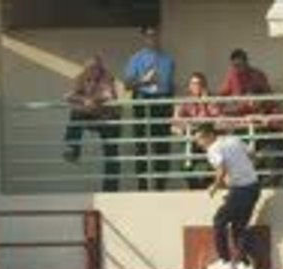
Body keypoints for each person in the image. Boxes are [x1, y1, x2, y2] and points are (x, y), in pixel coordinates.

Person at [193, 123, 261, 269]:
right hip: (253, 187)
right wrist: (244, 173)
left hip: (240, 190)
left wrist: (214, 186)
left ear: (209, 136)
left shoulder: (213, 149)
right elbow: (253, 156)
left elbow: (221, 169)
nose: (199, 144)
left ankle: (225, 261)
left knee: (219, 221)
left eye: (200, 139)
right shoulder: (233, 139)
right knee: (239, 226)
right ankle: (244, 264)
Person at [218, 49, 283, 187]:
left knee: (281, 155)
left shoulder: (258, 76)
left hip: (265, 132)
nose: (238, 69)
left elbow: (272, 104)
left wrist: (262, 116)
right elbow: (221, 100)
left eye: (240, 65)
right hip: (244, 129)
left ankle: (267, 184)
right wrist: (234, 116)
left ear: (246, 63)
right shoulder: (232, 77)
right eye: (235, 66)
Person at [124, 26, 176, 191]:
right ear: (144, 38)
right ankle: (143, 185)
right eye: (149, 35)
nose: (152, 38)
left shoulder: (168, 59)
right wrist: (143, 81)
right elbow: (127, 84)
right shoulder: (136, 58)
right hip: (143, 101)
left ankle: (161, 185)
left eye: (155, 35)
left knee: (162, 145)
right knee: (142, 146)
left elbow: (170, 85)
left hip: (162, 102)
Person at [63, 55, 120, 192]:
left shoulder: (107, 76)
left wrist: (92, 100)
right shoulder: (82, 77)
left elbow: (109, 96)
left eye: (95, 68)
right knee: (75, 115)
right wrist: (84, 100)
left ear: (100, 68)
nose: (92, 71)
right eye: (89, 69)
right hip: (92, 115)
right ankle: (73, 150)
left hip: (108, 119)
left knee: (111, 156)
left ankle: (110, 189)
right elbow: (68, 96)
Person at [171, 72, 222, 189]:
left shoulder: (212, 100)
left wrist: (204, 103)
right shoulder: (184, 101)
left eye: (199, 84)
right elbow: (174, 124)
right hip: (191, 138)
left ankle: (207, 184)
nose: (197, 87)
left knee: (214, 159)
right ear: (189, 86)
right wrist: (184, 128)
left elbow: (218, 119)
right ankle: (194, 185)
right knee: (183, 162)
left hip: (209, 137)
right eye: (193, 84)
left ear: (205, 85)